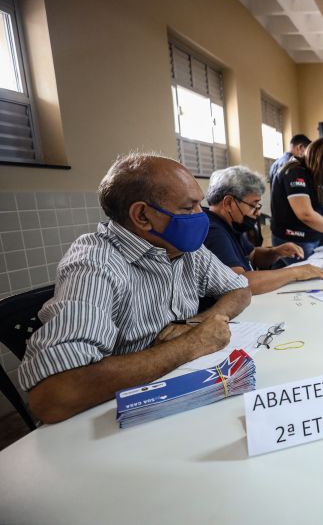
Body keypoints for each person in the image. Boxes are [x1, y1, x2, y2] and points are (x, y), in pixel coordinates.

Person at [17, 153, 252, 423]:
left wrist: (196, 323)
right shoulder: (94, 263)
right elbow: (55, 395)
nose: (202, 216)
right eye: (189, 208)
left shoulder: (186, 250)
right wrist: (193, 343)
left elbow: (240, 290)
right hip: (105, 422)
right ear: (142, 215)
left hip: (175, 397)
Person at [204, 166, 323, 295]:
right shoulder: (213, 231)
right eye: (253, 205)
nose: (257, 213)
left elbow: (253, 256)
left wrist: (276, 252)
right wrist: (295, 272)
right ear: (229, 203)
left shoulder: (231, 224)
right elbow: (238, 284)